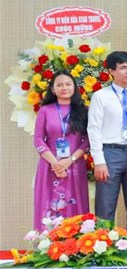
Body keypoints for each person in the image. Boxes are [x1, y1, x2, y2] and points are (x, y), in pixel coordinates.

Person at [88, 51, 127, 255]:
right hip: (110, 153)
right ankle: (103, 251)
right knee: (105, 205)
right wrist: (99, 160)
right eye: (123, 67)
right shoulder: (100, 96)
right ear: (111, 71)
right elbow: (93, 129)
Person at [33, 71, 89, 228]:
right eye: (59, 85)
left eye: (68, 84)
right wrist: (56, 164)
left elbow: (87, 141)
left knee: (75, 206)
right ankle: (47, 241)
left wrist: (69, 160)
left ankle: (76, 241)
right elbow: (38, 139)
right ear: (53, 89)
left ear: (74, 87)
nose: (64, 88)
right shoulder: (45, 111)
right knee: (48, 206)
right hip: (49, 167)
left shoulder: (84, 111)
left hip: (75, 165)